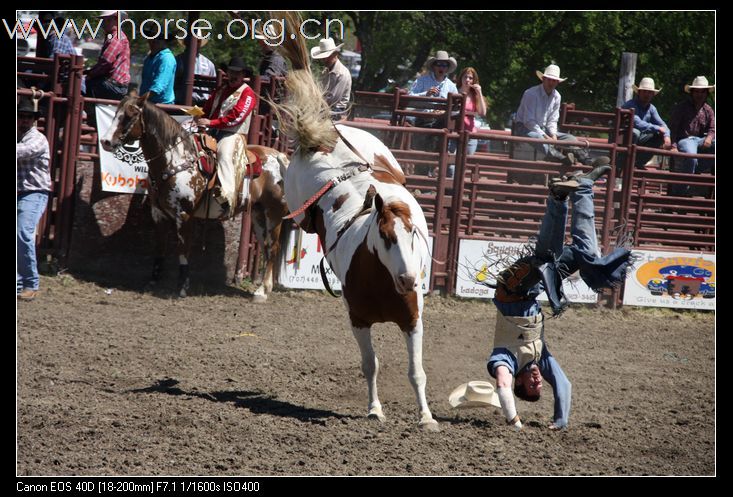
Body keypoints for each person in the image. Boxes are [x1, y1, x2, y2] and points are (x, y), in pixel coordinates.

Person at [484, 157, 634, 430]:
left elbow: (502, 385)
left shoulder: (503, 361)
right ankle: (584, 187)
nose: (538, 381)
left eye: (531, 385)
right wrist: (561, 420)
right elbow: (563, 383)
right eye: (539, 385)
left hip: (514, 288)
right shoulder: (540, 359)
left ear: (520, 381)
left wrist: (515, 421)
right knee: (589, 260)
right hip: (537, 287)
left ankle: (557, 197)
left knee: (545, 257)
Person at [196, 56, 258, 217]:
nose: (233, 75)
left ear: (243, 74)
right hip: (213, 129)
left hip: (233, 133)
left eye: (237, 72)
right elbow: (207, 106)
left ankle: (226, 195)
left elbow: (236, 118)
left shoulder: (248, 93)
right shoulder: (221, 89)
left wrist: (210, 122)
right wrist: (199, 116)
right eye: (231, 71)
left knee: (224, 153)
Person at [513, 64, 589, 166]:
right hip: (524, 127)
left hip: (543, 128)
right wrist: (546, 137)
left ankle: (586, 159)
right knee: (539, 139)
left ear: (557, 82)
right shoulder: (530, 94)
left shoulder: (557, 96)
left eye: (554, 80)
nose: (551, 83)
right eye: (549, 79)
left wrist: (553, 135)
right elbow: (528, 121)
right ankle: (563, 159)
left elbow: (553, 120)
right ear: (543, 79)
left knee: (570, 138)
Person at [17, 99, 52, 301]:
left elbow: (22, 152)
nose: (23, 120)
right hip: (22, 191)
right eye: (21, 116)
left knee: (22, 233)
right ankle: (20, 284)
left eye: (27, 117)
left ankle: (30, 283)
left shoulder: (38, 139)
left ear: (33, 120)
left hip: (34, 192)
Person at [668, 76, 715, 196]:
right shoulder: (682, 107)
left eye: (702, 91)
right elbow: (673, 127)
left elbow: (712, 128)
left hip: (699, 140)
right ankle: (681, 192)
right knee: (692, 157)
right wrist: (673, 145)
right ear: (692, 92)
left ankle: (696, 169)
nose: (699, 94)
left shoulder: (708, 109)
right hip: (685, 139)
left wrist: (709, 138)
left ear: (706, 93)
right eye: (697, 91)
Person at [621, 77, 672, 169]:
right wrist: (658, 128)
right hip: (625, 135)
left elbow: (662, 124)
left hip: (639, 137)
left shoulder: (652, 108)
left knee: (658, 135)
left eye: (649, 92)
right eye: (644, 91)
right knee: (635, 132)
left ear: (653, 95)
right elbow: (637, 123)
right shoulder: (630, 105)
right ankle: (626, 162)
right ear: (639, 92)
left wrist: (666, 135)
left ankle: (638, 163)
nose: (647, 94)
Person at [84, 10, 130, 100]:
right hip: (115, 85)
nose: (103, 24)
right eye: (103, 21)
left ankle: (84, 112)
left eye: (107, 20)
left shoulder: (116, 37)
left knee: (80, 84)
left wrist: (90, 75)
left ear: (116, 20)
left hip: (114, 85)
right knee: (84, 82)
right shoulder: (115, 36)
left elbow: (106, 61)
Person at [310, 38, 352, 120]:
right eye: (323, 57)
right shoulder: (326, 71)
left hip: (336, 112)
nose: (324, 59)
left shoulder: (342, 74)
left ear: (335, 54)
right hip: (324, 109)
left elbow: (332, 98)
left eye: (327, 56)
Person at [174, 28, 216, 107]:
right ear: (186, 42)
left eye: (198, 41)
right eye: (193, 40)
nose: (195, 43)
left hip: (202, 105)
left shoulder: (209, 64)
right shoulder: (176, 61)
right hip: (179, 104)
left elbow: (213, 89)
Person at [139, 26, 177, 105]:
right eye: (151, 37)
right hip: (149, 104)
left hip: (162, 106)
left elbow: (158, 87)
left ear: (165, 41)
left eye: (158, 38)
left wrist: (140, 100)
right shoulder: (149, 58)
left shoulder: (167, 58)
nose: (153, 40)